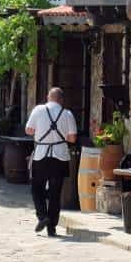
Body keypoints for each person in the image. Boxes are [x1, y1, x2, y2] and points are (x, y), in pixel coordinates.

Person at [24, 87, 77, 237]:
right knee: (55, 192)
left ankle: (43, 216)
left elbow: (28, 130)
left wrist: (42, 132)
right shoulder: (67, 114)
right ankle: (52, 227)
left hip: (41, 155)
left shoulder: (38, 110)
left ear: (49, 97)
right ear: (61, 99)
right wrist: (59, 137)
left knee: (37, 188)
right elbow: (72, 138)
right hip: (60, 156)